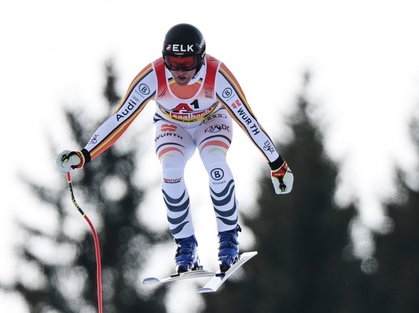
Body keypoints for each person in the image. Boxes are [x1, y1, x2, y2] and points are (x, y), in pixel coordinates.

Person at [57, 23, 293, 274]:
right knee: (170, 172)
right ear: (164, 58)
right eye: (173, 62)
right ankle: (186, 247)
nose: (180, 71)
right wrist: (85, 154)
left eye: (188, 62)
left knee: (215, 165)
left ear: (201, 58)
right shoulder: (153, 76)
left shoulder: (217, 76)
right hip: (172, 127)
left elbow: (248, 120)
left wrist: (277, 164)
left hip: (211, 122)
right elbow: (121, 118)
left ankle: (228, 241)